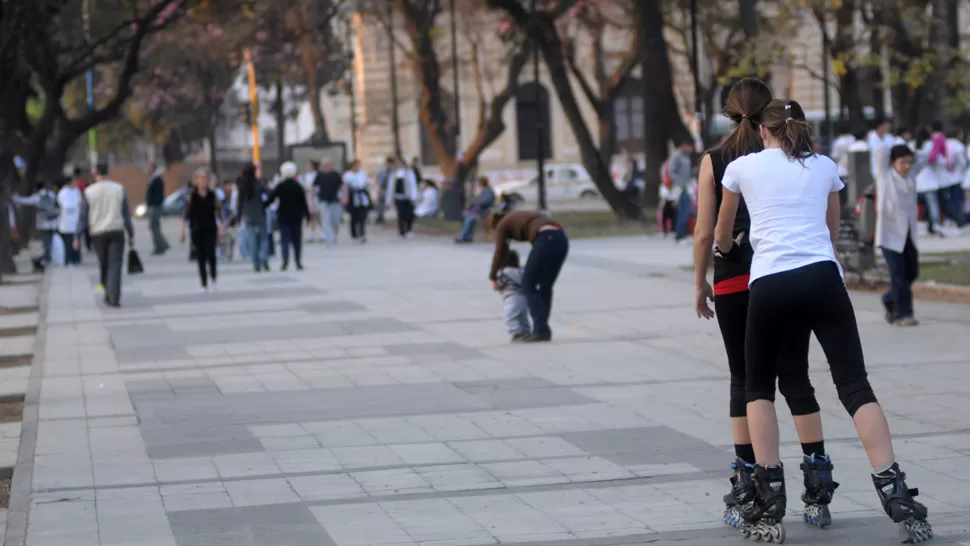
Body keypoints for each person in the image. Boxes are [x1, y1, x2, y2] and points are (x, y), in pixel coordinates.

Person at [714, 99, 932, 543]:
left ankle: (769, 491)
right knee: (854, 385)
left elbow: (721, 236)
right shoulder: (827, 167)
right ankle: (894, 489)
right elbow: (830, 235)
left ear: (764, 131)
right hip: (822, 279)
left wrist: (728, 246)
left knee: (758, 387)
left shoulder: (742, 168)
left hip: (770, 283)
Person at [693, 79, 834, 532]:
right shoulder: (788, 153)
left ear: (728, 114)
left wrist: (699, 281)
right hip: (787, 274)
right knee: (795, 376)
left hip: (736, 278)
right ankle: (817, 484)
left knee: (745, 380)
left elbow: (705, 230)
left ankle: (749, 482)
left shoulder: (716, 160)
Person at [487, 210, 568, 343]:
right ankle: (542, 330)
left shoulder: (502, 224)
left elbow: (500, 251)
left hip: (546, 238)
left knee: (528, 285)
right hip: (561, 238)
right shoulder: (518, 218)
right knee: (545, 286)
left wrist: (493, 277)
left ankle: (541, 330)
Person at [874, 144, 922, 327]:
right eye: (903, 162)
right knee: (898, 275)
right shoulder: (884, 176)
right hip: (889, 235)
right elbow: (881, 151)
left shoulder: (911, 177)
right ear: (893, 162)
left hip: (908, 234)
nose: (907, 166)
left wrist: (912, 145)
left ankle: (889, 297)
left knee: (912, 272)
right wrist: (895, 139)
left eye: (909, 162)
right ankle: (903, 314)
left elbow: (922, 157)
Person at [80, 163, 134, 308]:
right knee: (115, 264)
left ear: (95, 174)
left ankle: (107, 292)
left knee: (104, 264)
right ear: (108, 173)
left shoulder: (89, 192)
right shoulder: (119, 189)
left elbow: (83, 216)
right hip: (116, 229)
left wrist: (77, 237)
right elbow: (126, 214)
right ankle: (114, 296)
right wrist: (131, 233)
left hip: (97, 233)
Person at [180, 168, 223, 291]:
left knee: (212, 254)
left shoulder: (212, 195)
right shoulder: (191, 197)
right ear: (196, 181)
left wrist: (221, 227)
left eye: (205, 178)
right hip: (196, 229)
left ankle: (214, 279)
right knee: (200, 256)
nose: (203, 181)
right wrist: (182, 231)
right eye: (200, 178)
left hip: (210, 228)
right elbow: (185, 215)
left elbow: (219, 212)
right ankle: (203, 283)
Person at [268, 162, 309, 271]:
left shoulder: (280, 186)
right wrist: (307, 214)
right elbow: (304, 202)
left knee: (285, 239)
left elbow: (271, 199)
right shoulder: (298, 186)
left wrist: (264, 205)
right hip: (297, 216)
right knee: (297, 240)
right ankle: (298, 262)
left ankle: (285, 261)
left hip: (283, 216)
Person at [232, 164, 271, 272]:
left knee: (252, 240)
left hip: (248, 215)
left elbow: (239, 203)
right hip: (260, 213)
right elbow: (270, 193)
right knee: (263, 238)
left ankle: (256, 263)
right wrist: (265, 204)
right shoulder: (258, 183)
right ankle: (264, 257)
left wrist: (238, 217)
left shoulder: (242, 186)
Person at [13, 181, 59, 267]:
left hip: (44, 223)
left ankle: (47, 258)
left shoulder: (38, 197)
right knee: (50, 240)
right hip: (53, 222)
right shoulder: (51, 194)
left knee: (47, 241)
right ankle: (49, 257)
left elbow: (26, 201)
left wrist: (15, 198)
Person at [494, 249, 530, 341]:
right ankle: (526, 331)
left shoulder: (505, 273)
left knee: (509, 318)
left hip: (511, 298)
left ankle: (517, 332)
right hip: (524, 298)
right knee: (522, 317)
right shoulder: (521, 271)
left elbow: (498, 286)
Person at [915, 127, 944, 237]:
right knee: (933, 205)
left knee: (919, 204)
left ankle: (926, 224)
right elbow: (934, 159)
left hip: (918, 179)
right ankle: (935, 225)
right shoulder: (929, 145)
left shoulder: (915, 145)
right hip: (929, 178)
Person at [455, 176, 495, 243]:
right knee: (467, 217)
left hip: (483, 209)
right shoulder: (484, 190)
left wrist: (474, 202)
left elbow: (485, 201)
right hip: (477, 209)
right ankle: (466, 236)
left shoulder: (488, 191)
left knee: (469, 218)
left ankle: (464, 236)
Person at [386, 157, 419, 239]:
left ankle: (409, 229)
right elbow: (390, 187)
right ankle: (402, 232)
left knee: (409, 214)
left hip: (407, 196)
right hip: (398, 197)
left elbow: (413, 184)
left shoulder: (409, 172)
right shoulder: (393, 173)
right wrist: (389, 199)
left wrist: (414, 196)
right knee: (401, 215)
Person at [313, 159, 344, 245]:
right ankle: (330, 238)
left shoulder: (336, 175)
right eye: (327, 164)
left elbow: (342, 186)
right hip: (323, 201)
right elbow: (314, 188)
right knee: (326, 220)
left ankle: (334, 234)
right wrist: (313, 201)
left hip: (335, 201)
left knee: (335, 221)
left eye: (330, 164)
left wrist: (344, 197)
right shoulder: (319, 175)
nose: (328, 166)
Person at [668, 141, 694, 243]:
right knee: (682, 211)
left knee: (687, 210)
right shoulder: (677, 156)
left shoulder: (686, 156)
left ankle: (684, 233)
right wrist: (680, 181)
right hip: (679, 187)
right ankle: (680, 234)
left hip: (686, 187)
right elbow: (671, 171)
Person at [57, 174, 84, 266]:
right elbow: (65, 205)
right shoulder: (63, 192)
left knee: (76, 242)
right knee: (68, 243)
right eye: (73, 181)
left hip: (76, 221)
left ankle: (76, 259)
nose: (75, 183)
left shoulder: (76, 191)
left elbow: (80, 202)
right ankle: (67, 260)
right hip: (66, 222)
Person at [941, 128, 966, 228]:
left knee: (948, 200)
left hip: (945, 178)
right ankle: (957, 219)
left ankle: (948, 220)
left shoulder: (944, 143)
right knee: (956, 200)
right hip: (957, 177)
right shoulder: (959, 145)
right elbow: (962, 162)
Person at [343, 159, 371, 243]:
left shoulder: (363, 173)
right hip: (352, 196)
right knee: (354, 217)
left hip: (362, 195)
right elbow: (345, 186)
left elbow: (366, 184)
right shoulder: (347, 175)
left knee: (362, 216)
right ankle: (354, 234)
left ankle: (362, 234)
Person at [145, 163, 169, 255]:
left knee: (154, 227)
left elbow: (158, 195)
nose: (148, 170)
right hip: (154, 206)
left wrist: (154, 204)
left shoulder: (157, 179)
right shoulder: (153, 178)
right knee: (155, 227)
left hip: (155, 206)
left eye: (149, 168)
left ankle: (162, 245)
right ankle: (160, 246)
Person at [302, 161, 324, 243]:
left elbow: (318, 186)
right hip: (308, 196)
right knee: (311, 216)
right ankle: (312, 234)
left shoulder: (317, 175)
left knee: (319, 215)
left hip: (316, 196)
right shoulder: (305, 176)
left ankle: (322, 233)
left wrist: (314, 191)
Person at [867, 117, 895, 181]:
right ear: (881, 126)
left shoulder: (890, 138)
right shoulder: (870, 137)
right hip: (874, 168)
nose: (889, 126)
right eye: (887, 124)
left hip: (888, 169)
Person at [657, 170, 679, 238]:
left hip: (672, 202)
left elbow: (676, 196)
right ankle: (663, 231)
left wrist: (675, 202)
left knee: (674, 216)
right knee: (663, 216)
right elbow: (663, 197)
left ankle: (673, 230)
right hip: (666, 202)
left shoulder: (675, 186)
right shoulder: (663, 186)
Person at [375, 157, 394, 225]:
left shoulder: (394, 171)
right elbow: (378, 179)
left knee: (386, 203)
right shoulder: (383, 171)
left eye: (389, 163)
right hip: (383, 189)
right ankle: (380, 217)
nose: (388, 164)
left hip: (391, 189)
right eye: (387, 163)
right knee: (381, 203)